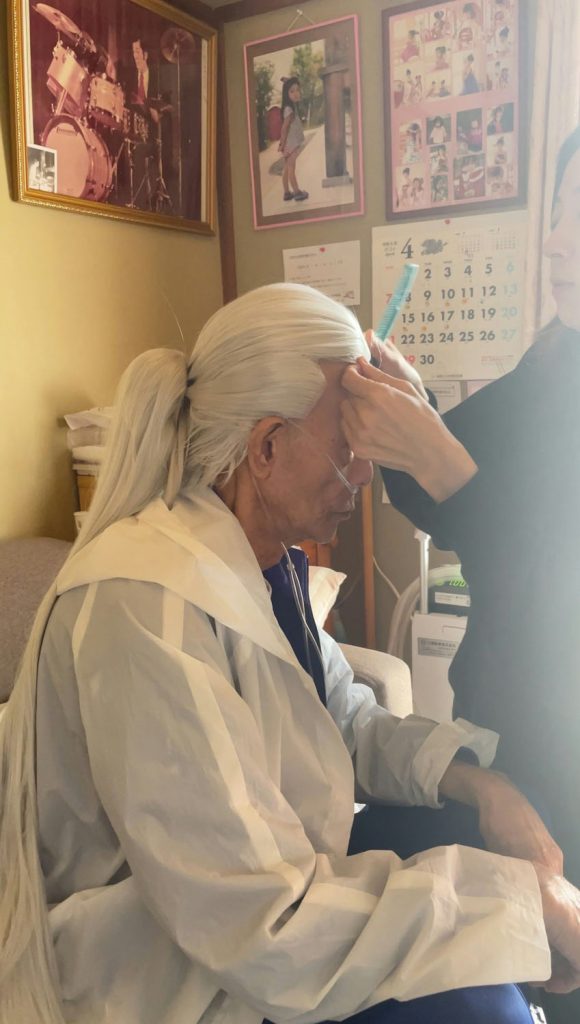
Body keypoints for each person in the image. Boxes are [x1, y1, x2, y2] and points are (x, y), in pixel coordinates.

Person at [3, 282, 580, 1024]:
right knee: (485, 1005)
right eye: (348, 444)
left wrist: (480, 783)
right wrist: (518, 904)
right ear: (268, 447)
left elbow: (344, 721)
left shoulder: (261, 564)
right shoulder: (145, 609)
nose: (366, 474)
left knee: (491, 843)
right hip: (169, 963)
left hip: (265, 895)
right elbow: (259, 926)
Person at [341, 126, 580, 1022]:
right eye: (558, 212)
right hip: (516, 739)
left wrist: (445, 465)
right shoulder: (552, 363)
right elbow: (447, 486)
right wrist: (414, 411)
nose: (554, 242)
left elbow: (546, 577)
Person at [278, 77, 309, 202]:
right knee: (291, 168)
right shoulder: (289, 110)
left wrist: (287, 81)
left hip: (289, 143)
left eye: (297, 90)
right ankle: (297, 192)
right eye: (292, 91)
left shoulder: (290, 107)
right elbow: (284, 128)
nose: (296, 93)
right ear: (286, 94)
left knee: (286, 167)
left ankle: (286, 193)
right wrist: (282, 143)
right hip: (290, 144)